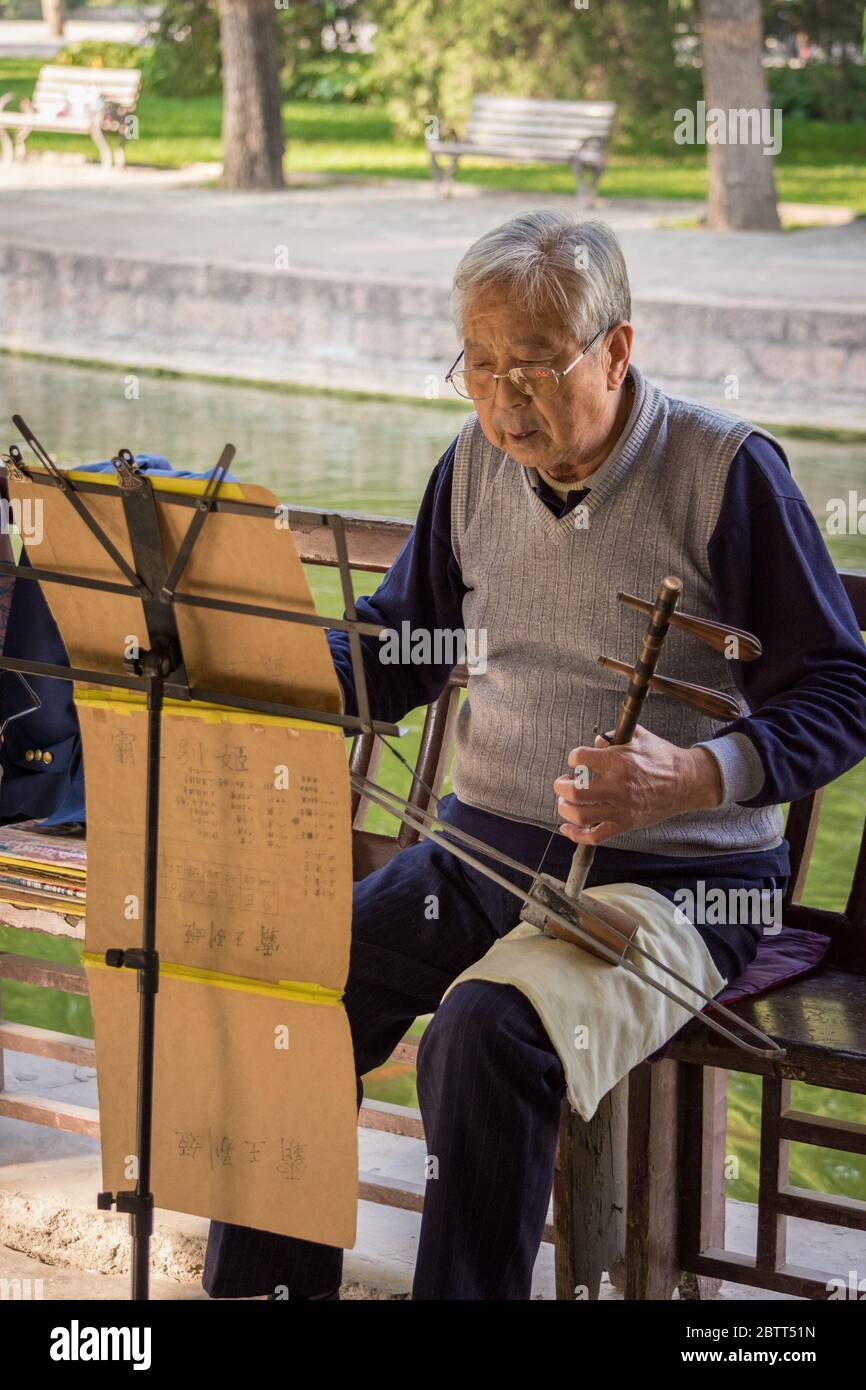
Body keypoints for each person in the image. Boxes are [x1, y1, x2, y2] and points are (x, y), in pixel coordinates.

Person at [4, 215, 866, 1300]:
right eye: (479, 364)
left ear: (615, 349)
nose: (503, 397)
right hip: (480, 854)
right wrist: (238, 658)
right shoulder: (471, 464)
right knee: (283, 996)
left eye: (535, 365)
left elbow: (842, 687)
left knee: (483, 1029)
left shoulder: (723, 472)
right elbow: (400, 652)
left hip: (677, 883)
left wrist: (695, 773)